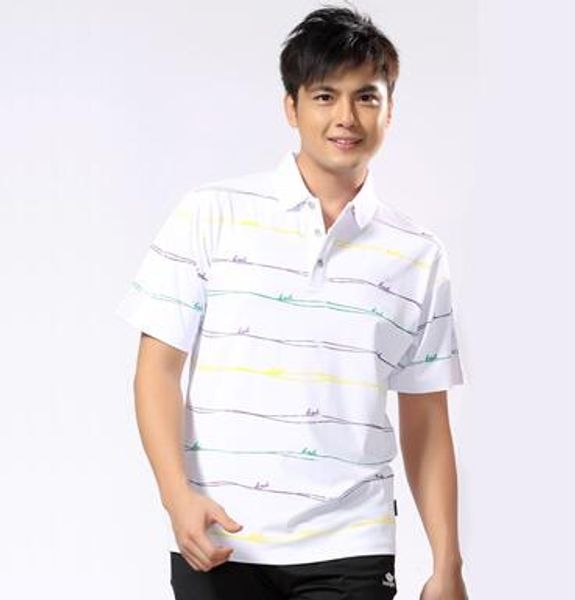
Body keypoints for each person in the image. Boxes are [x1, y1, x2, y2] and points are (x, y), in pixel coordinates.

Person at [116, 5, 469, 599]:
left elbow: (427, 419)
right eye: (325, 96)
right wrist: (176, 497)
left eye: (367, 97)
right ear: (292, 107)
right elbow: (157, 370)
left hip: (352, 542)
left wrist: (448, 564)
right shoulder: (211, 213)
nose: (346, 117)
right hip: (221, 536)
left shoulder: (418, 255)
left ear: (389, 110)